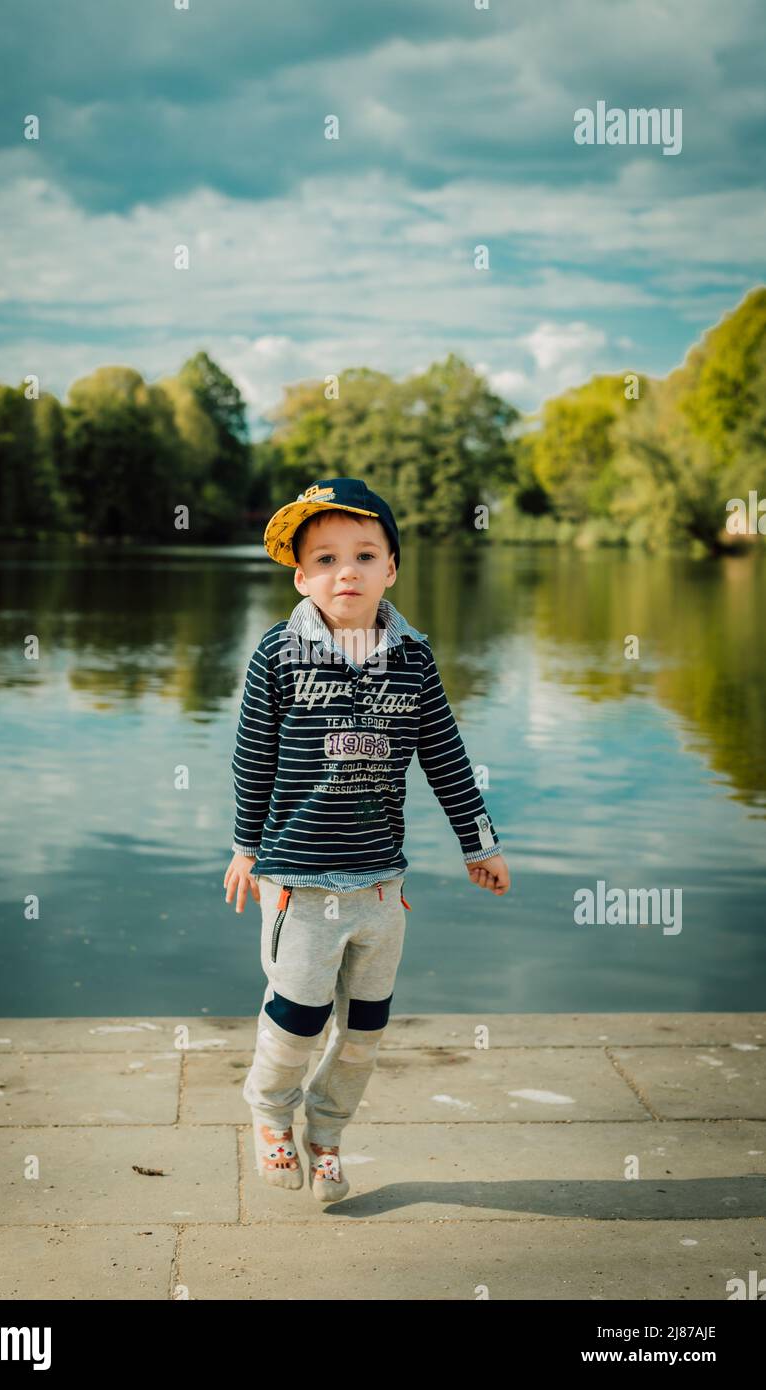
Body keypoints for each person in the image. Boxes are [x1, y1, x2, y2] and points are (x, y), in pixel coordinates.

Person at [223, 477, 511, 1201]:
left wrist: (479, 844)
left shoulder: (414, 659)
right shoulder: (278, 655)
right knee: (299, 1014)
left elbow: (445, 753)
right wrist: (244, 847)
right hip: (299, 878)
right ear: (301, 576)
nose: (343, 571)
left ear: (391, 568)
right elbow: (253, 754)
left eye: (362, 554)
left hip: (381, 885)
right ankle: (268, 1108)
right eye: (323, 558)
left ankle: (326, 1133)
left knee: (364, 1031)